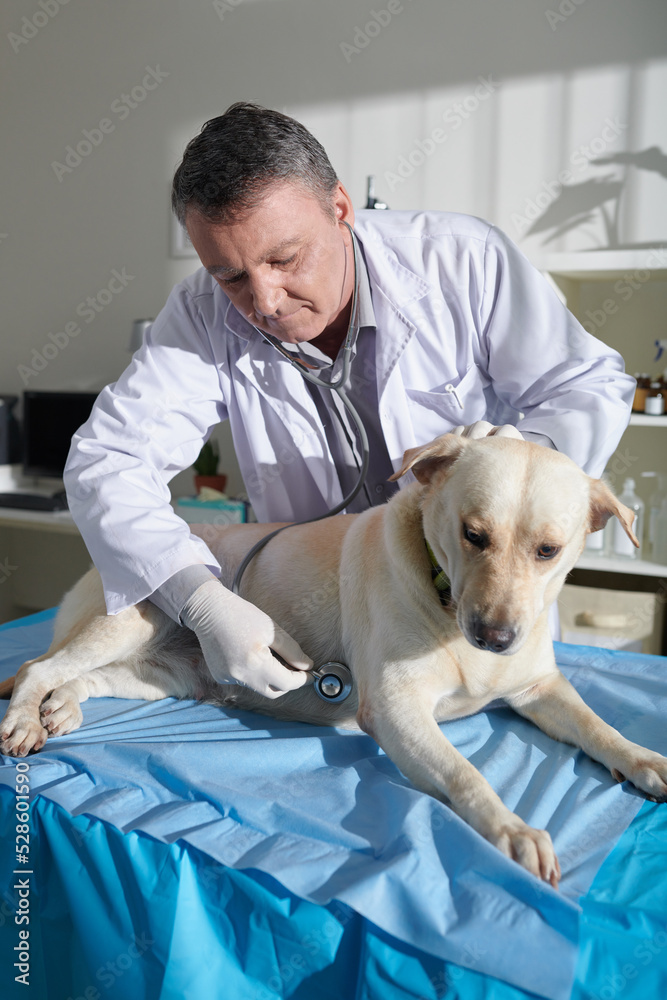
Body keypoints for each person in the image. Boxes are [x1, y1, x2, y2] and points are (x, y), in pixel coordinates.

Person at [64, 102, 635, 699]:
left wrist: (526, 455)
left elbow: (587, 383)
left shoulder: (464, 261)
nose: (265, 300)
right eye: (230, 276)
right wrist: (201, 601)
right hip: (324, 618)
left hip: (476, 607)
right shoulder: (200, 315)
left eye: (284, 258)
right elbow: (110, 461)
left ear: (340, 210)